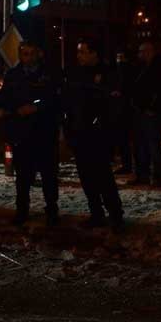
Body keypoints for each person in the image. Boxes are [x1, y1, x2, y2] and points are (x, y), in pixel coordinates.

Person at [0, 41, 60, 227]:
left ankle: (52, 211)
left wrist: (36, 107)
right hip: (22, 133)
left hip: (44, 131)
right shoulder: (14, 75)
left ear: (38, 54)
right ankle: (21, 210)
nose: (28, 58)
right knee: (23, 176)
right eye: (24, 54)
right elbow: (4, 97)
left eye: (31, 53)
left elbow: (55, 99)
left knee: (48, 175)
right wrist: (1, 109)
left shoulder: (48, 74)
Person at [62, 39, 124, 232]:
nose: (79, 55)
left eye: (83, 51)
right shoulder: (75, 74)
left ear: (94, 53)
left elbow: (112, 104)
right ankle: (96, 213)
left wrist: (104, 127)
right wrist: (69, 129)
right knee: (87, 178)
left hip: (99, 135)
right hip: (80, 134)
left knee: (103, 177)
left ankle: (115, 215)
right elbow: (69, 102)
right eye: (78, 52)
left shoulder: (107, 73)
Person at [131, 41, 161, 187]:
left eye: (142, 52)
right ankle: (143, 174)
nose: (140, 54)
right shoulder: (142, 67)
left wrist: (152, 107)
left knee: (153, 144)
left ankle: (158, 176)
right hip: (143, 110)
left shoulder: (159, 68)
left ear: (150, 52)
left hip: (152, 112)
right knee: (141, 144)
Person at [112, 48, 135, 175]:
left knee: (124, 140)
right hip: (122, 109)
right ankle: (126, 164)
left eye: (121, 57)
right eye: (118, 57)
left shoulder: (125, 70)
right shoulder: (122, 70)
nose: (119, 60)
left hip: (124, 110)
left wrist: (119, 93)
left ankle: (127, 165)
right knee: (123, 140)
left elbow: (124, 87)